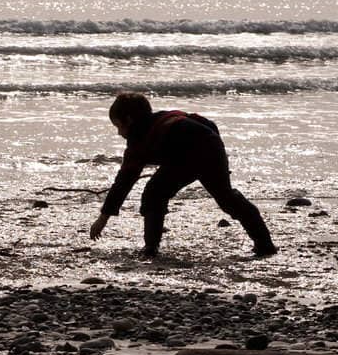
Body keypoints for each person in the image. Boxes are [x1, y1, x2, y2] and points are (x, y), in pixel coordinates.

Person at [89, 92, 277, 258]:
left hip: (191, 152)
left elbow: (124, 182)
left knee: (154, 193)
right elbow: (206, 124)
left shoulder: (138, 141)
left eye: (118, 126)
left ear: (129, 120)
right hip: (212, 144)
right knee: (226, 197)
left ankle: (150, 248)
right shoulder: (162, 118)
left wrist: (103, 218)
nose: (119, 133)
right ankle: (265, 244)